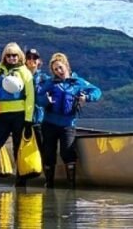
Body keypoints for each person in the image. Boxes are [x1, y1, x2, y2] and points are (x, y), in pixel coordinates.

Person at [36, 52, 101, 188]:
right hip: (49, 124)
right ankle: (49, 184)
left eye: (60, 67)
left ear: (66, 65)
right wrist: (44, 100)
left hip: (68, 124)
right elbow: (38, 97)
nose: (59, 71)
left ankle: (71, 185)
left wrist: (86, 98)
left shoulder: (78, 82)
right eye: (55, 69)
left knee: (67, 152)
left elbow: (97, 91)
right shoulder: (50, 83)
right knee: (49, 153)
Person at [0, 42, 35, 187]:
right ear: (5, 56)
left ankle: (21, 179)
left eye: (14, 55)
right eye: (8, 55)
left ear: (19, 56)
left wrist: (28, 120)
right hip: (3, 114)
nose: (12, 58)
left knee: (17, 148)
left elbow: (30, 97)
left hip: (19, 114)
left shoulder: (24, 72)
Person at [24, 48, 48, 148]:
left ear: (39, 61)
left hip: (40, 120)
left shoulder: (45, 79)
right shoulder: (20, 77)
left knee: (42, 149)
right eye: (29, 57)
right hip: (23, 120)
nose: (32, 60)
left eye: (35, 58)